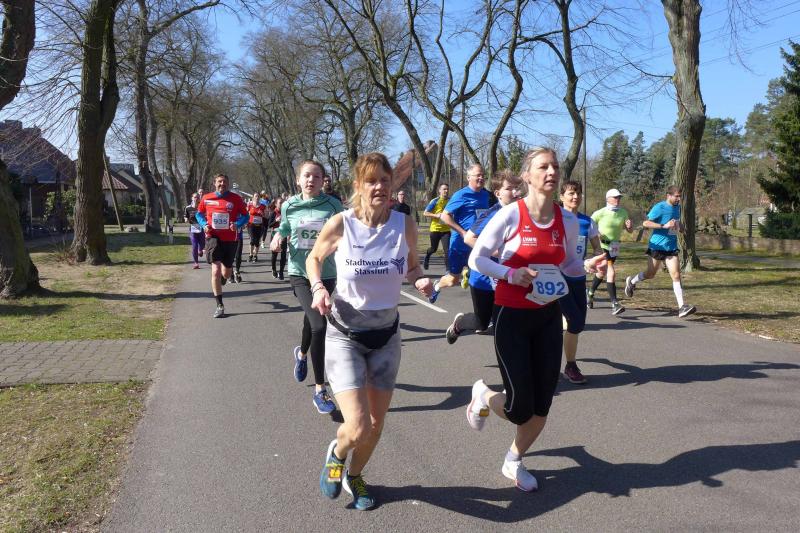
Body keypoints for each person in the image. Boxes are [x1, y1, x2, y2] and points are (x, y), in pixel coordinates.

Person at [465, 147, 606, 492]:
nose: (551, 172)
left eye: (555, 166)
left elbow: (568, 265)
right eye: (543, 167)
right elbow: (477, 259)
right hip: (511, 316)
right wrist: (510, 274)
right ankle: (482, 394)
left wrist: (588, 266)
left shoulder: (567, 221)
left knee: (542, 404)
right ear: (527, 176)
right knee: (518, 408)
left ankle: (513, 459)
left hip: (547, 316)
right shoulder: (510, 215)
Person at [308, 152, 433, 511]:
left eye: (385, 180)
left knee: (376, 426)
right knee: (358, 426)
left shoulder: (404, 224)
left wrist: (421, 279)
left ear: (393, 184)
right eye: (371, 181)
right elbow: (314, 258)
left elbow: (412, 267)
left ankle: (355, 475)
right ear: (358, 186)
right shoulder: (342, 223)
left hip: (386, 338)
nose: (379, 187)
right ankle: (337, 453)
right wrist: (318, 287)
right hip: (345, 336)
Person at [271, 160, 343, 413]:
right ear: (298, 180)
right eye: (306, 176)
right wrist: (278, 236)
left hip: (327, 273)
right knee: (319, 325)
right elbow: (284, 227)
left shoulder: (333, 205)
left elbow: (343, 232)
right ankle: (320, 389)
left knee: (310, 319)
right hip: (300, 273)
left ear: (323, 181)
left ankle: (301, 355)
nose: (311, 180)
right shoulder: (289, 205)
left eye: (316, 176)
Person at [446, 170, 522, 343]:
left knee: (505, 322)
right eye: (509, 188)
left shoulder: (520, 212)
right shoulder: (491, 214)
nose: (515, 192)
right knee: (481, 322)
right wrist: (500, 253)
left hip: (507, 275)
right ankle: (459, 324)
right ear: (498, 193)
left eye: (516, 188)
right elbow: (469, 238)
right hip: (484, 277)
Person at [625, 186, 697, 318]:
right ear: (668, 195)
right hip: (657, 246)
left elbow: (677, 223)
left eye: (680, 196)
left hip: (671, 247)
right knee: (650, 274)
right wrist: (664, 226)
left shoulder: (677, 207)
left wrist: (680, 227)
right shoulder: (660, 207)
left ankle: (682, 307)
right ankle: (632, 281)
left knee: (676, 275)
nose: (679, 199)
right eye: (676, 196)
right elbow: (646, 223)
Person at [559, 181, 602, 384]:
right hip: (557, 278)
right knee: (573, 321)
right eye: (571, 193)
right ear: (561, 196)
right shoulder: (554, 219)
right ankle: (570, 365)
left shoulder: (587, 222)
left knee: (578, 324)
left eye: (578, 193)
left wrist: (599, 261)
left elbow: (597, 248)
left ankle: (567, 364)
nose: (575, 197)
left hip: (578, 278)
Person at [429, 163, 491, 303]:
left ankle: (470, 276)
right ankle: (437, 285)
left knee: (481, 274)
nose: (481, 178)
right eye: (478, 175)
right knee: (452, 280)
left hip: (476, 244)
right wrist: (463, 232)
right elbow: (445, 216)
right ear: (469, 177)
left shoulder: (486, 195)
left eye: (483, 175)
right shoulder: (461, 195)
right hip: (459, 244)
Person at [196, 174, 249, 318]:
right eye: (219, 181)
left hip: (231, 239)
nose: (222, 184)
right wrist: (204, 224)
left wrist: (237, 224)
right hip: (213, 238)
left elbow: (246, 216)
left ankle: (224, 278)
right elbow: (199, 214)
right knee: (215, 271)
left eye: (225, 181)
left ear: (228, 184)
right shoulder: (207, 198)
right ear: (214, 183)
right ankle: (219, 305)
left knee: (226, 273)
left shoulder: (236, 199)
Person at [588, 188, 633, 315]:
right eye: (615, 197)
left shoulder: (623, 212)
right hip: (602, 246)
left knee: (602, 272)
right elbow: (589, 226)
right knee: (611, 272)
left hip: (614, 247)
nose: (618, 199)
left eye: (619, 197)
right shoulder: (600, 213)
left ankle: (590, 293)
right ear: (608, 199)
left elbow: (629, 230)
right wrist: (597, 232)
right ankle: (614, 303)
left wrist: (629, 226)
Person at [422, 183, 450, 271]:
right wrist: (436, 215)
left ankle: (448, 270)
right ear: (440, 190)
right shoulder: (435, 201)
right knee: (433, 249)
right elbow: (425, 213)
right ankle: (427, 256)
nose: (446, 191)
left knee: (447, 250)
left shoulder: (451, 201)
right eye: (444, 189)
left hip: (446, 230)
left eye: (447, 189)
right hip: (435, 229)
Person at [268, 198, 287, 279]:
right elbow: (269, 225)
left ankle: (281, 272)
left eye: (283, 203)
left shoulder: (285, 212)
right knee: (274, 254)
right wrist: (276, 220)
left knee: (283, 254)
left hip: (283, 235)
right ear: (276, 204)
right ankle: (274, 269)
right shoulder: (274, 213)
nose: (282, 204)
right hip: (275, 235)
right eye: (280, 203)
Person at [184, 193, 205, 269]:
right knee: (194, 246)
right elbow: (185, 216)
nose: (196, 199)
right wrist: (186, 219)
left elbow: (205, 215)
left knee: (202, 244)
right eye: (195, 197)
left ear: (199, 199)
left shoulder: (202, 207)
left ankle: (200, 250)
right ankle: (196, 263)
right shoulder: (188, 208)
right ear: (192, 198)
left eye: (197, 197)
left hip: (201, 228)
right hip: (193, 228)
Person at [247, 192, 267, 262]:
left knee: (257, 241)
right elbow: (245, 214)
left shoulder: (263, 206)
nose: (257, 197)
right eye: (256, 196)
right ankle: (250, 255)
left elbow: (267, 216)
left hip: (259, 225)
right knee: (252, 240)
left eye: (258, 196)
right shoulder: (250, 205)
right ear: (253, 197)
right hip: (251, 225)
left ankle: (255, 255)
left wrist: (263, 214)